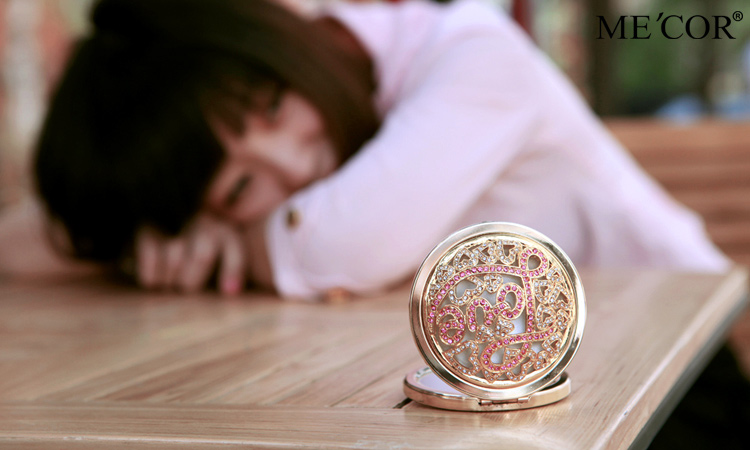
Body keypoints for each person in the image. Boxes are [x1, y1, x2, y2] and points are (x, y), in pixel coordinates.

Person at [4, 0, 730, 299]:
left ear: (282, 36)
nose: (294, 162)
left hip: (676, 372)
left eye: (271, 106)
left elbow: (341, 244)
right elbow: (22, 241)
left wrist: (219, 238)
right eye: (237, 187)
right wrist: (151, 232)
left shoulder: (474, 54)